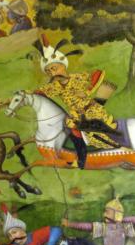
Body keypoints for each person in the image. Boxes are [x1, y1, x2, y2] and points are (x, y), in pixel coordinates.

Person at [34, 34, 117, 169]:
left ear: (63, 66)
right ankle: (77, 157)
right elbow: (38, 92)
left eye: (54, 68)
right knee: (69, 127)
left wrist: (87, 91)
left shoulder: (79, 77)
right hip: (75, 115)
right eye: (49, 72)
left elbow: (98, 74)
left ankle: (83, 161)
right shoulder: (55, 86)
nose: (53, 73)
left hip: (90, 110)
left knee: (83, 129)